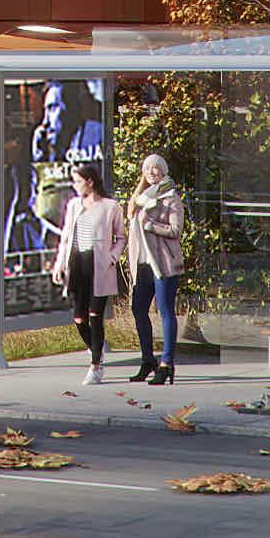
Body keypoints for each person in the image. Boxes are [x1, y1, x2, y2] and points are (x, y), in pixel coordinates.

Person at [50, 160, 123, 385]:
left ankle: (95, 366)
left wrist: (112, 257)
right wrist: (59, 264)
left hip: (99, 263)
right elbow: (65, 237)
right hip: (78, 263)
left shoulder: (111, 206)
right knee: (79, 318)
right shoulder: (74, 205)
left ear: (90, 182)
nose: (75, 186)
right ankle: (95, 350)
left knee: (95, 316)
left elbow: (121, 237)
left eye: (79, 181)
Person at [121, 152, 187, 387]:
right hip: (143, 264)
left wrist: (151, 226)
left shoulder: (171, 197)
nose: (151, 172)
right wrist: (141, 186)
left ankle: (167, 364)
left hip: (163, 264)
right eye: (147, 168)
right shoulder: (142, 198)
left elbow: (176, 230)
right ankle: (147, 360)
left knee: (165, 311)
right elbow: (130, 212)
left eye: (156, 168)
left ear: (164, 171)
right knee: (138, 309)